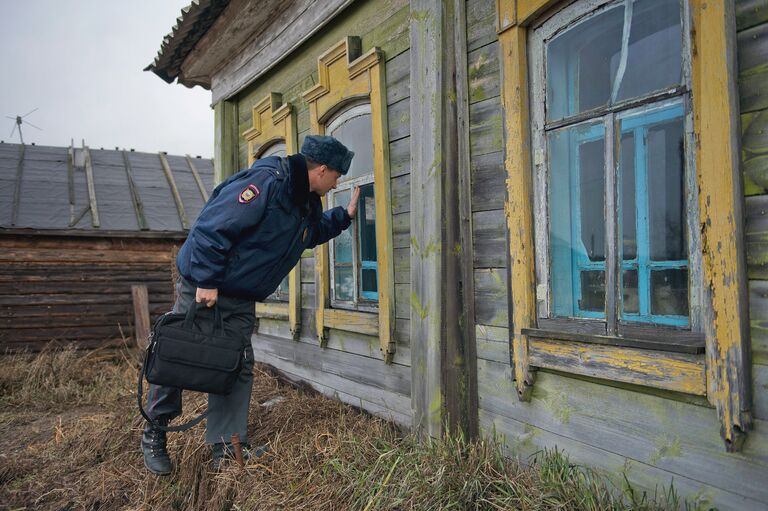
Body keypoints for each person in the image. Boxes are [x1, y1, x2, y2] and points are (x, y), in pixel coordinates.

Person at [141, 135, 359, 475]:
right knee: (177, 353)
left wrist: (342, 217)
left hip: (241, 295)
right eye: (337, 176)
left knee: (237, 364)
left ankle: (226, 447)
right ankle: (156, 431)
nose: (338, 182)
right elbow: (212, 228)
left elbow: (305, 235)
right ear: (321, 169)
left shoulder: (305, 201)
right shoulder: (266, 183)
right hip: (205, 284)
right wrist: (208, 280)